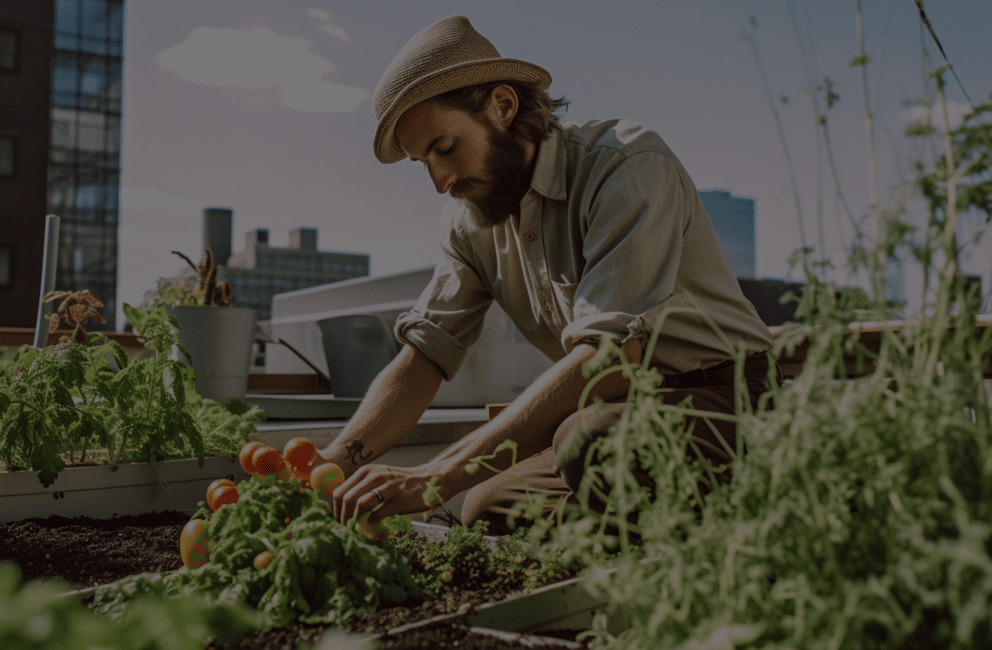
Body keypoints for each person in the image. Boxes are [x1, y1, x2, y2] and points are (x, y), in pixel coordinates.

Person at [318, 15, 776, 534]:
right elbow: (426, 353)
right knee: (488, 507)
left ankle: (744, 526)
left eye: (445, 148)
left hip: (728, 400)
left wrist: (437, 475)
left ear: (503, 106)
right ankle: (654, 535)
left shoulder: (626, 164)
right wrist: (337, 460)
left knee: (590, 439)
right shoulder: (469, 220)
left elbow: (607, 361)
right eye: (424, 162)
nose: (440, 181)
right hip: (618, 413)